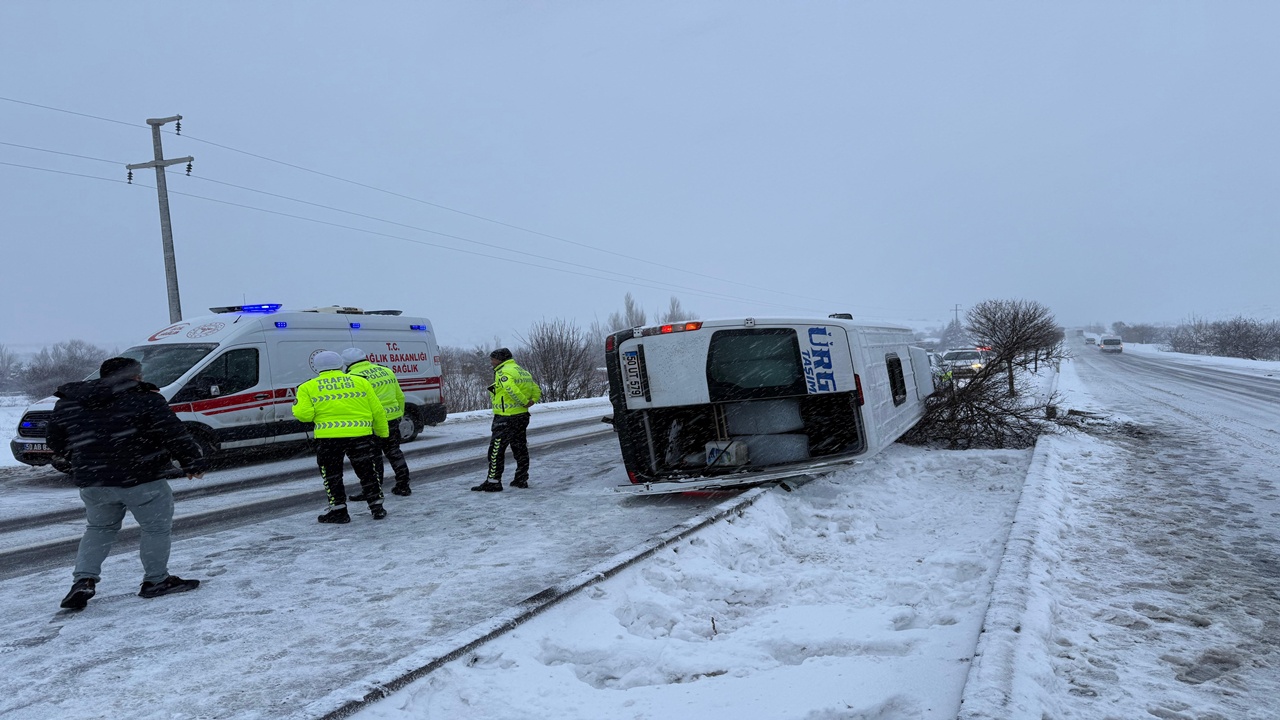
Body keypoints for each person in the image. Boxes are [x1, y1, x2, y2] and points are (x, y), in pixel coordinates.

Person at [46, 356, 207, 610]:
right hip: (142, 478)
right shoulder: (146, 399)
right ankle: (156, 581)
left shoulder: (70, 402)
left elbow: (55, 441)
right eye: (138, 373)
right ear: (132, 376)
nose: (141, 378)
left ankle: (83, 580)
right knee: (155, 528)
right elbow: (173, 432)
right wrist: (191, 462)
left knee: (99, 529)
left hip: (94, 480)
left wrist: (84, 458)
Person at [292, 350, 389, 523]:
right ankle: (377, 507)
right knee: (367, 472)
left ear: (317, 368)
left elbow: (305, 415)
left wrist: (296, 407)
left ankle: (339, 511)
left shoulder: (307, 387)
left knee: (332, 475)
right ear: (341, 364)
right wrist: (382, 433)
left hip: (329, 440)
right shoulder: (360, 382)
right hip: (360, 436)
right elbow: (377, 411)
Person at [341, 347, 413, 497]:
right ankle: (403, 485)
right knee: (394, 453)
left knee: (373, 459)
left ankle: (374, 491)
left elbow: (354, 405)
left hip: (371, 423)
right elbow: (400, 396)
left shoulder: (353, 377)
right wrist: (398, 415)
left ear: (346, 363)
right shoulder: (385, 371)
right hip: (392, 420)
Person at [472, 347, 542, 492]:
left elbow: (510, 388)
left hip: (506, 417)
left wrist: (523, 400)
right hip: (522, 416)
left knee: (496, 450)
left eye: (493, 359)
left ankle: (493, 482)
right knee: (520, 448)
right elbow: (536, 388)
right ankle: (521, 479)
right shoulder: (521, 371)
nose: (491, 362)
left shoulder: (503, 371)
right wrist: (531, 401)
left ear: (500, 359)